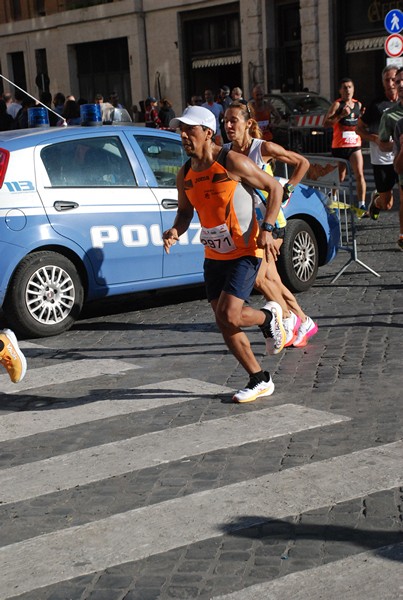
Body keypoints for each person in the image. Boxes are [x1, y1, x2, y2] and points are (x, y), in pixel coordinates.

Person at [163, 105, 285, 404]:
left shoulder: (231, 161)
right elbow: (184, 211)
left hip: (246, 249)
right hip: (214, 255)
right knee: (223, 321)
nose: (183, 135)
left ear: (207, 132)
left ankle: (267, 316)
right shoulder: (185, 173)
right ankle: (260, 378)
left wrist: (268, 228)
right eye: (180, 130)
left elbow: (274, 189)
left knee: (230, 314)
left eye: (189, 130)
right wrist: (175, 231)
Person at [224, 101, 317, 349]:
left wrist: (289, 189)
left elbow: (303, 163)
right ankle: (302, 320)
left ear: (248, 124)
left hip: (272, 223)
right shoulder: (225, 152)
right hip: (249, 224)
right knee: (270, 279)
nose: (229, 125)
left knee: (261, 279)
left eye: (234, 120)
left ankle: (288, 320)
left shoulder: (261, 148)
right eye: (225, 121)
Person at [356, 65, 399, 220]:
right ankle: (376, 200)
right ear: (383, 83)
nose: (391, 83)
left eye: (394, 79)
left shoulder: (401, 102)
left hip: (400, 155)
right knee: (387, 204)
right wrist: (374, 138)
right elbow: (358, 129)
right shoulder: (376, 105)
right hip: (382, 159)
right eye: (387, 80)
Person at [324, 77, 366, 211]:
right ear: (340, 91)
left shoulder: (358, 105)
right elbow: (325, 123)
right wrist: (341, 115)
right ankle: (333, 197)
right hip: (340, 146)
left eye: (350, 87)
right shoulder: (337, 105)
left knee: (359, 174)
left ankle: (362, 204)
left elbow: (361, 123)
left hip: (354, 145)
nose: (348, 90)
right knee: (340, 177)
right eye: (345, 88)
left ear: (353, 89)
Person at [378, 66, 403, 250]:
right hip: (393, 161)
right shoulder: (389, 116)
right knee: (392, 201)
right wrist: (398, 146)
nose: (399, 84)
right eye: (397, 81)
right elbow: (382, 143)